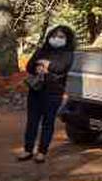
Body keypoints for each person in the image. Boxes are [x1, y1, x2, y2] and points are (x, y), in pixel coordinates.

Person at [20, 24, 77, 164]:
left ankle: (42, 152)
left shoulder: (68, 54)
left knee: (48, 122)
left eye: (61, 36)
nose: (56, 39)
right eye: (54, 36)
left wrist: (46, 65)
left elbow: (61, 68)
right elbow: (30, 65)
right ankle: (28, 150)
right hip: (36, 90)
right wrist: (41, 67)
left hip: (53, 93)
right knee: (32, 121)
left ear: (67, 39)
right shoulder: (42, 50)